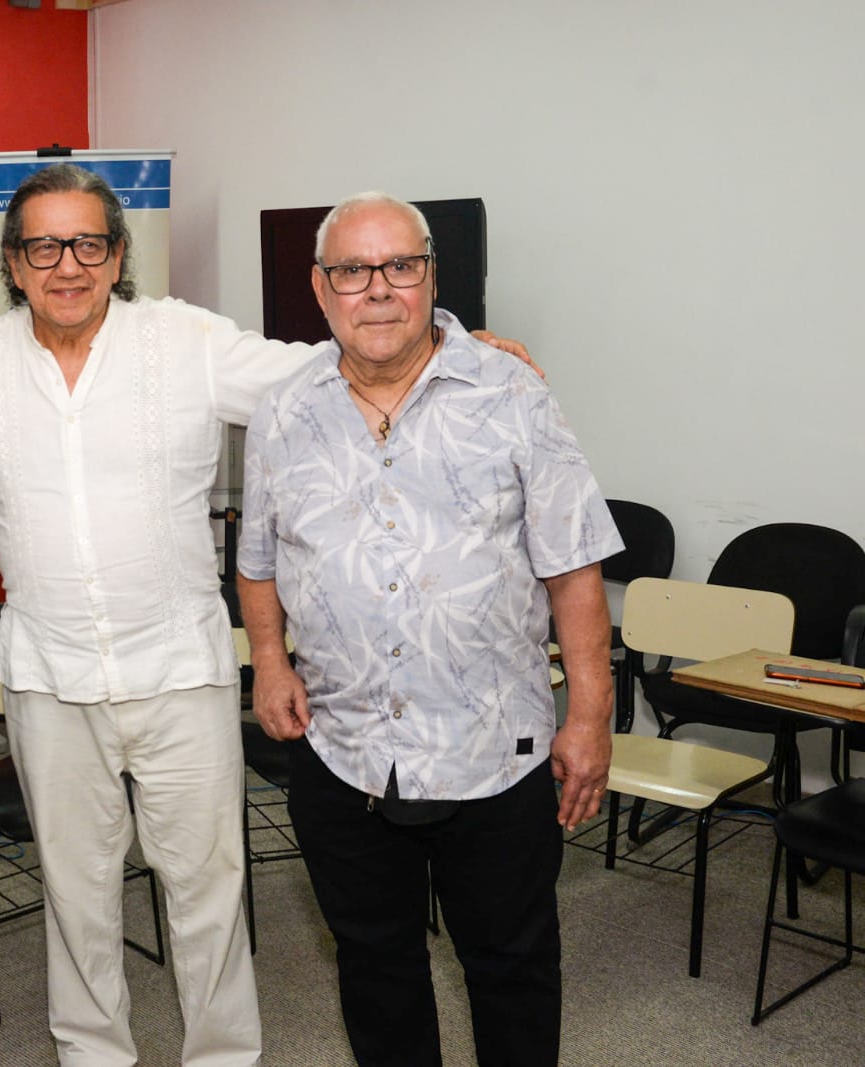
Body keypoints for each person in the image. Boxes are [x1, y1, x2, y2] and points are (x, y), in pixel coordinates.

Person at [0, 164, 534, 1066]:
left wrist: (449, 347)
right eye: (44, 246)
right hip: (49, 674)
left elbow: (328, 365)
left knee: (208, 891)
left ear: (118, 253)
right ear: (12, 262)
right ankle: (93, 1054)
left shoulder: (183, 340)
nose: (67, 264)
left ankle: (222, 1058)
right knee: (74, 896)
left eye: (88, 243)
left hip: (179, 670)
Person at [236, 191, 621, 1067]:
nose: (378, 288)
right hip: (344, 749)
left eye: (400, 266)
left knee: (513, 970)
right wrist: (267, 659)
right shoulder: (283, 412)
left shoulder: (512, 392)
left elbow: (575, 566)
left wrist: (591, 716)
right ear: (321, 288)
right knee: (375, 970)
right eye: (352, 270)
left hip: (495, 750)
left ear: (431, 277)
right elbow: (257, 557)